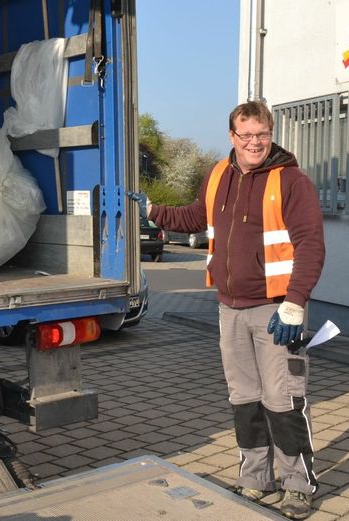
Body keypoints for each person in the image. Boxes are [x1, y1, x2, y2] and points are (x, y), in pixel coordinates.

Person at [129, 100, 325, 520]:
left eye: (262, 134)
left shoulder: (291, 181)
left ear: (271, 134)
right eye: (246, 135)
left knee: (283, 401)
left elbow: (310, 244)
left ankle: (297, 485)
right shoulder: (219, 174)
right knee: (245, 400)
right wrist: (151, 211)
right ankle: (255, 478)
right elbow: (195, 217)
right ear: (232, 137)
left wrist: (295, 303)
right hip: (230, 308)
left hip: (277, 311)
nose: (255, 142)